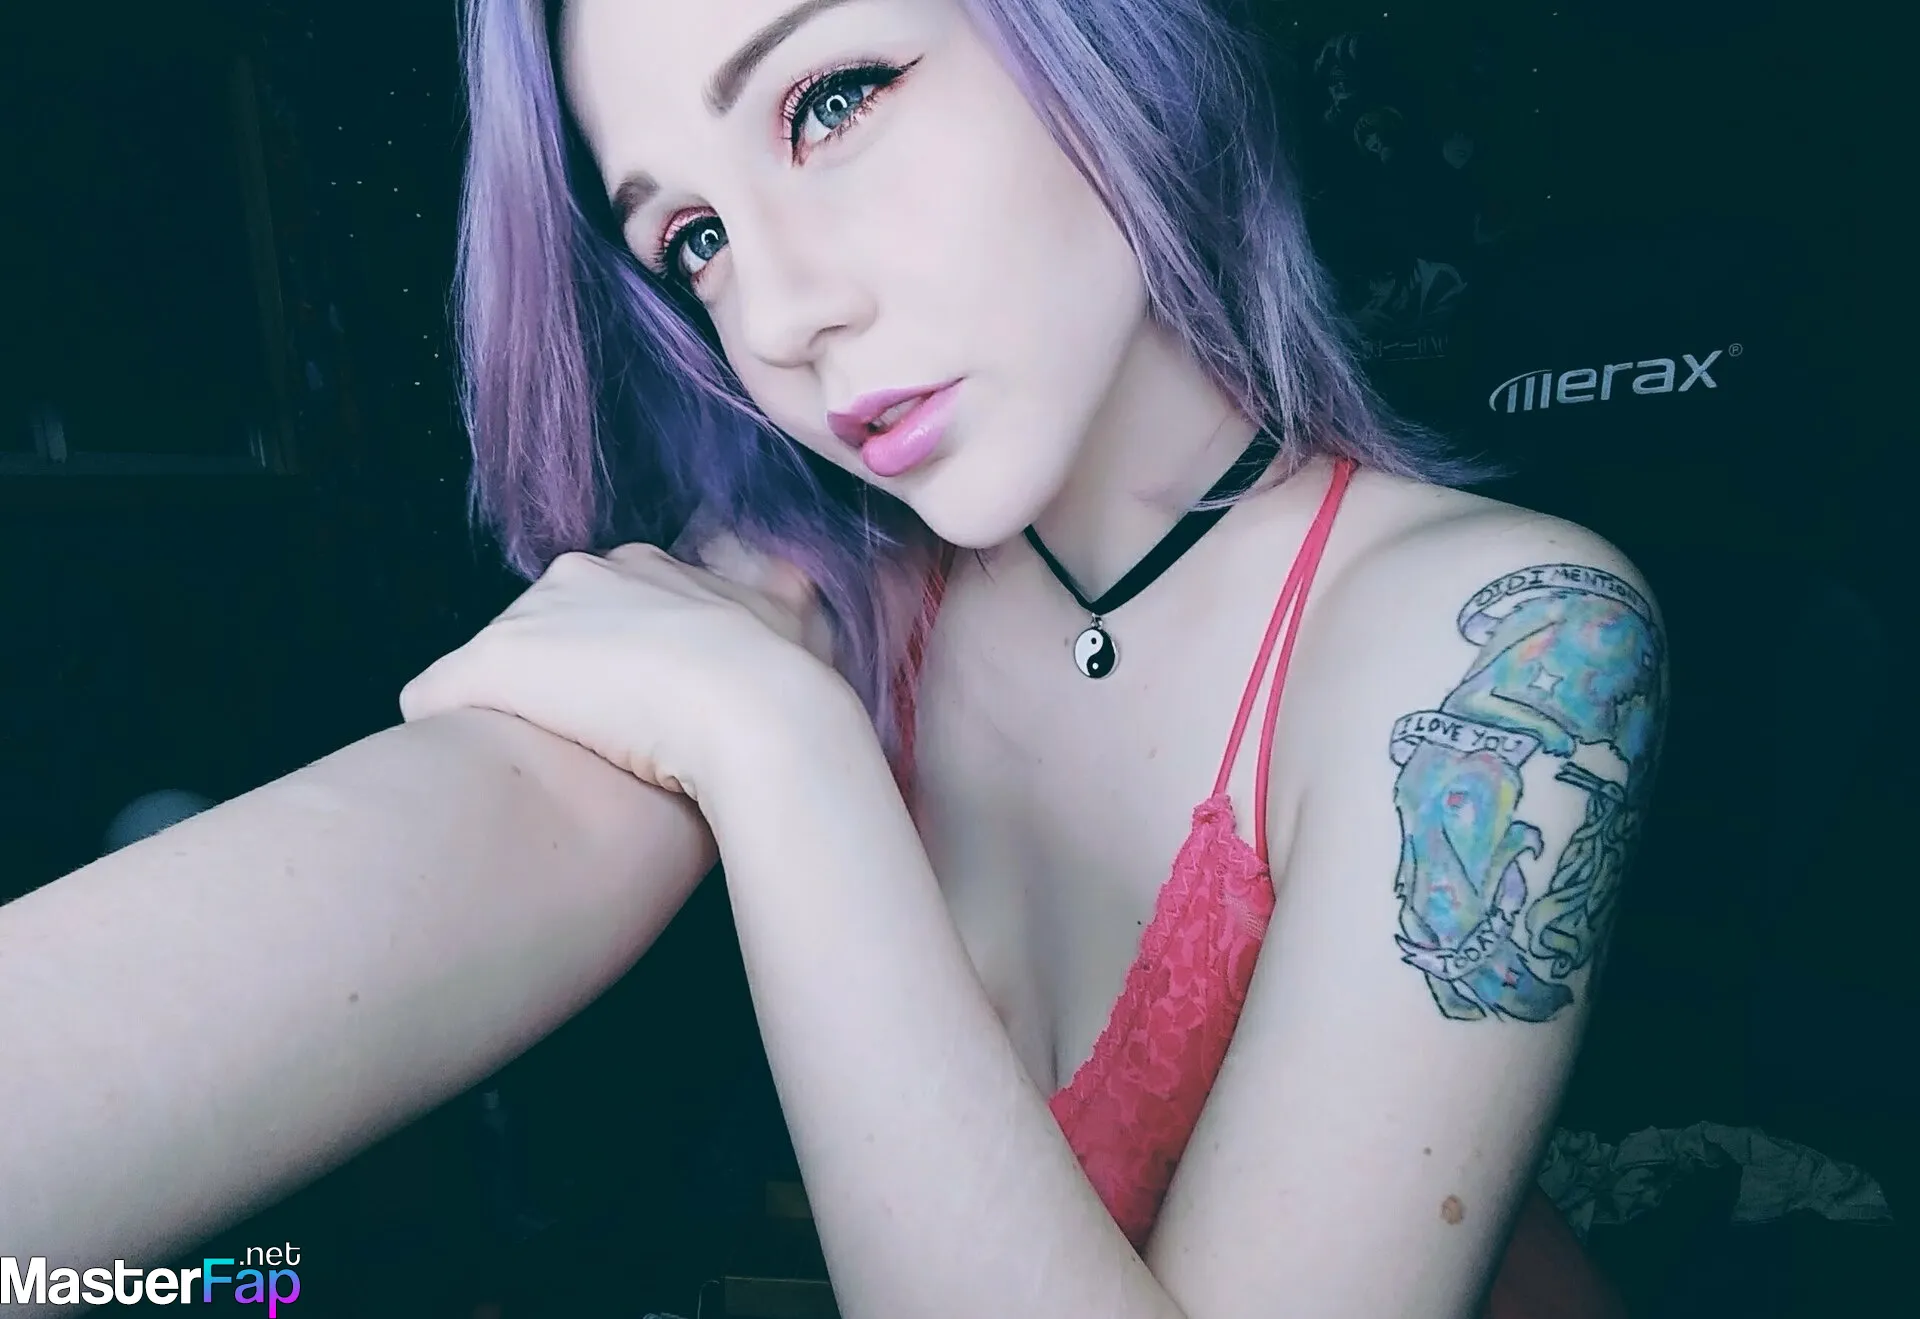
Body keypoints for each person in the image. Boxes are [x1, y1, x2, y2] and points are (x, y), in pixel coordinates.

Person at [0, 1, 1661, 1315]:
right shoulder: (826, 593)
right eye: (693, 240)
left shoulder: (1507, 644)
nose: (777, 315)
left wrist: (783, 754)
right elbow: (496, 821)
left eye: (831, 101)